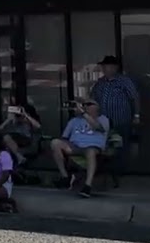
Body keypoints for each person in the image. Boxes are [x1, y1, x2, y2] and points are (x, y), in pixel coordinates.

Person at [90, 54, 139, 183]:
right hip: (103, 123)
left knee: (121, 146)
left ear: (114, 68)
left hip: (120, 120)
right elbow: (92, 99)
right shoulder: (100, 83)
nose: (105, 69)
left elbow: (135, 98)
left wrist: (136, 116)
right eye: (104, 66)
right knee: (103, 146)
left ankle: (120, 172)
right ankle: (102, 170)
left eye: (107, 66)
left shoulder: (124, 81)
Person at [50, 99, 110, 198]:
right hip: (76, 147)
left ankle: (87, 186)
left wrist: (84, 113)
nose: (85, 106)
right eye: (84, 104)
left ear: (97, 107)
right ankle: (65, 177)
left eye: (89, 104)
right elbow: (64, 138)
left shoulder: (103, 119)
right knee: (55, 143)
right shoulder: (74, 120)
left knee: (90, 151)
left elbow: (98, 127)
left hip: (93, 147)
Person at [0, 101, 42, 168]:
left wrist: (25, 115)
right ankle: (19, 159)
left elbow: (38, 126)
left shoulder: (28, 120)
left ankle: (19, 158)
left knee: (7, 138)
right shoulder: (13, 120)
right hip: (13, 140)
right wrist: (8, 120)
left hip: (25, 139)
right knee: (6, 143)